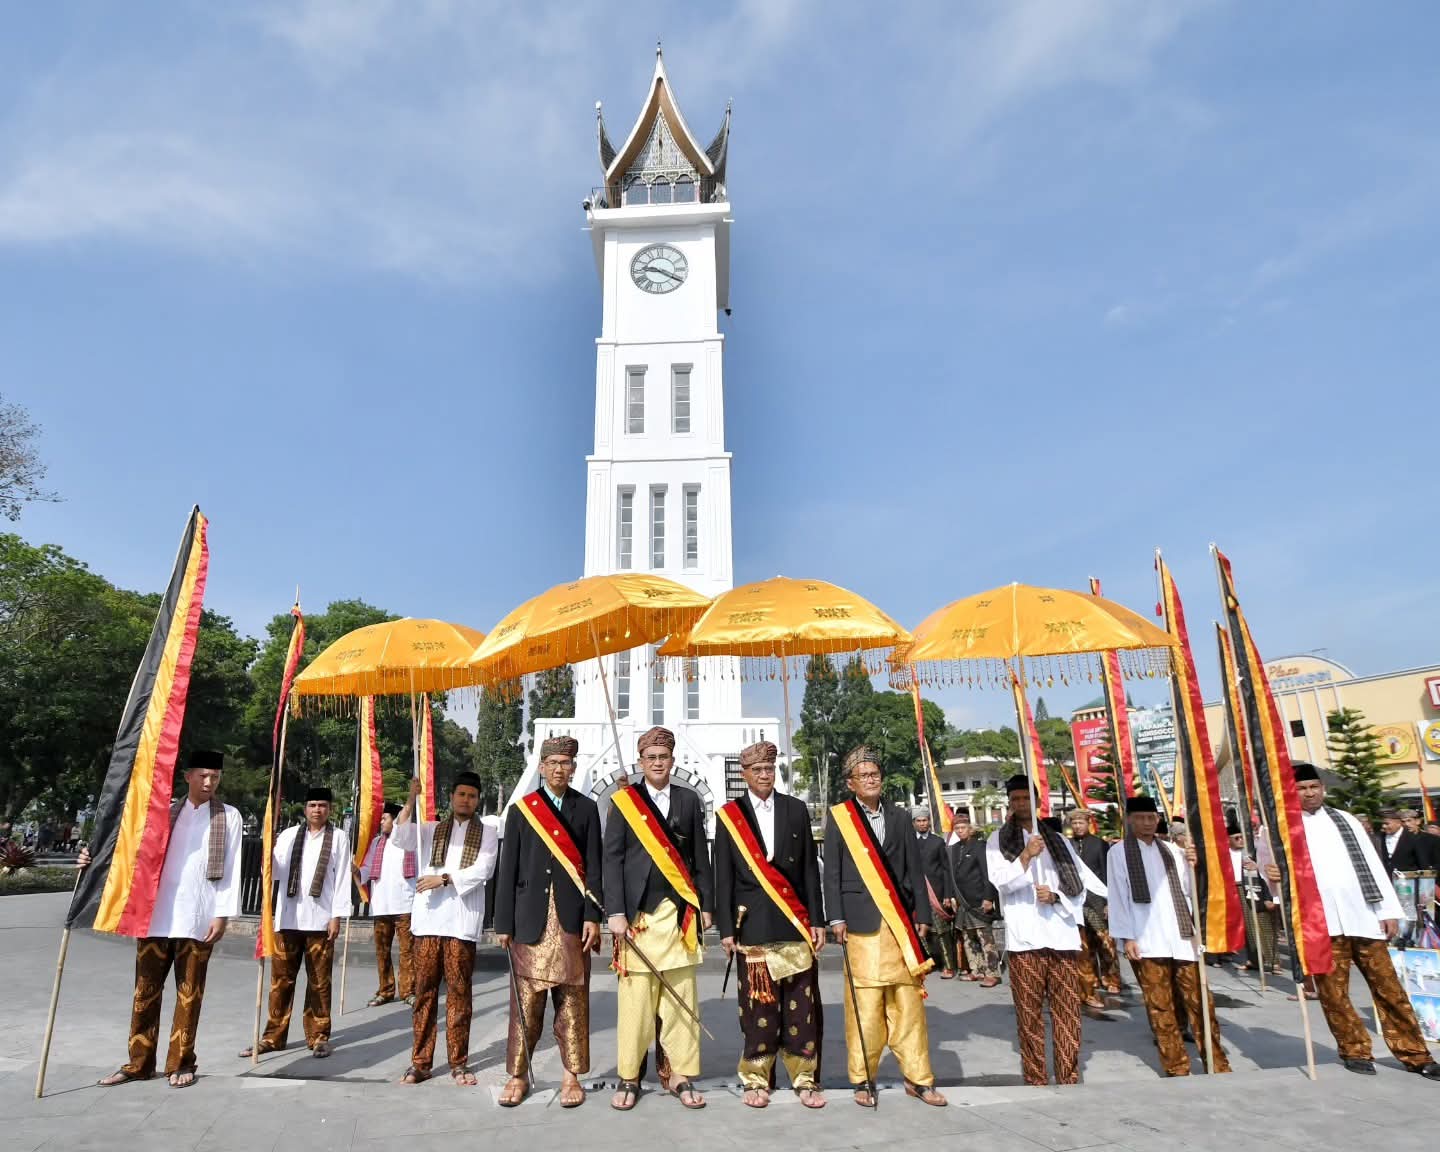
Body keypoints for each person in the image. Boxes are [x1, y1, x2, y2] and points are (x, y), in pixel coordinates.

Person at [1263, 762, 1440, 1078]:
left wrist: (1387, 911)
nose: (1309, 793)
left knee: (1390, 989)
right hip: (1321, 924)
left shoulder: (1345, 820)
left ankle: (1416, 1054)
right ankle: (1355, 1051)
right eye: (1301, 788)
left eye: (1313, 787)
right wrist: (1273, 877)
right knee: (1334, 993)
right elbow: (1271, 872)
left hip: (1364, 916)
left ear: (1322, 788)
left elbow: (1373, 865)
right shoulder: (1279, 827)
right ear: (1291, 791)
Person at [89, 749, 242, 1089]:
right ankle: (139, 1063)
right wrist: (92, 857)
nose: (209, 782)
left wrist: (221, 913)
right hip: (155, 916)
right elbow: (130, 852)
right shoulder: (162, 813)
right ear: (187, 776)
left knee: (190, 994)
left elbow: (232, 866)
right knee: (145, 992)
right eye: (202, 775)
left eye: (215, 777)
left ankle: (181, 1062)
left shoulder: (229, 816)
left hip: (198, 917)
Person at [825, 747, 945, 1108]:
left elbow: (914, 870)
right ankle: (863, 1078)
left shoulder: (900, 817)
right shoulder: (840, 817)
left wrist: (923, 916)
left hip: (899, 923)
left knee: (908, 1004)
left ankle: (918, 1078)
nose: (871, 780)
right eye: (863, 776)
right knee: (865, 1006)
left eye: (875, 774)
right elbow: (832, 872)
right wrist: (836, 918)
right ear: (851, 783)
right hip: (859, 923)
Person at [605, 726, 713, 1111]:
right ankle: (629, 1077)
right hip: (638, 918)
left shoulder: (688, 799)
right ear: (640, 761)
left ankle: (681, 1075)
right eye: (650, 757)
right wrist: (615, 912)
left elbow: (700, 856)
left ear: (672, 760)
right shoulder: (624, 802)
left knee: (682, 999)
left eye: (663, 757)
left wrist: (707, 905)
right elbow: (612, 859)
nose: (656, 763)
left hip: (679, 915)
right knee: (635, 1004)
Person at [713, 740, 825, 1109]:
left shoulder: (795, 809)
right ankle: (755, 1078)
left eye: (769, 769)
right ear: (744, 774)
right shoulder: (730, 815)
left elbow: (809, 870)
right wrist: (726, 929)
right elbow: (723, 877)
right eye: (757, 770)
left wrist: (817, 920)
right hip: (753, 925)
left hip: (793, 923)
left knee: (800, 1010)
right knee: (758, 1012)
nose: (764, 775)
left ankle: (804, 1078)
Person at [494, 736, 603, 1108]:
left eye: (565, 763)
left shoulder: (586, 809)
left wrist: (593, 916)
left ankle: (571, 1075)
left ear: (574, 768)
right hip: (529, 921)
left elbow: (595, 868)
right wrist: (503, 923)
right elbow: (508, 869)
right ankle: (517, 1075)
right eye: (553, 762)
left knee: (572, 1002)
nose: (559, 769)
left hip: (571, 921)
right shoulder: (523, 810)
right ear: (541, 767)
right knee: (525, 1004)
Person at [987, 774, 1105, 1086]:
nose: (1021, 804)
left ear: (1037, 801)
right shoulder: (998, 840)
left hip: (1061, 935)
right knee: (1029, 1014)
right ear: (1009, 803)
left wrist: (1056, 897)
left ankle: (1068, 1074)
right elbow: (1001, 883)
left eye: (1026, 798)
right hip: (1025, 939)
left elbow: (1080, 887)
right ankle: (1035, 1077)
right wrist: (1026, 856)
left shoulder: (1059, 841)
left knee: (1068, 1010)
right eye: (1015, 799)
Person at [1107, 795, 1230, 1076]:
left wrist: (1193, 865)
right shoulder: (1118, 852)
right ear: (1130, 820)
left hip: (1182, 936)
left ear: (1158, 819)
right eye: (1140, 818)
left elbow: (1189, 889)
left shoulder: (1173, 851)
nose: (1146, 823)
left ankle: (1217, 1062)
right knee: (1160, 1007)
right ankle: (1176, 1067)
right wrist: (1127, 937)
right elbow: (1118, 896)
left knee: (1201, 1002)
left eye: (1151, 817)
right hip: (1147, 939)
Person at [392, 771, 500, 1086]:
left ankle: (459, 1063)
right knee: (424, 994)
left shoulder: (488, 832)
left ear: (478, 800)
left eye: (471, 796)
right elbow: (399, 837)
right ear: (451, 797)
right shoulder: (430, 830)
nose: (466, 800)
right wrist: (411, 799)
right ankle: (420, 1062)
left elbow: (484, 869)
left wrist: (443, 879)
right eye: (461, 794)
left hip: (461, 923)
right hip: (428, 921)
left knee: (459, 995)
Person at [243, 786, 351, 1060]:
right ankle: (273, 1037)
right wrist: (268, 853)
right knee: (281, 981)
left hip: (320, 919)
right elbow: (275, 872)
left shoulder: (339, 837)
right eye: (312, 805)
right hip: (288, 918)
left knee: (319, 982)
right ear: (305, 808)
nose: (317, 810)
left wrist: (336, 915)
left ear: (330, 809)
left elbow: (342, 878)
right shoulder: (289, 835)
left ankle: (319, 1036)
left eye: (322, 805)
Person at [355, 801, 416, 1007]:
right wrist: (357, 872)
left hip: (405, 904)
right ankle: (385, 990)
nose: (381, 822)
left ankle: (408, 991)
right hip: (381, 905)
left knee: (407, 951)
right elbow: (366, 869)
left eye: (385, 818)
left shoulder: (410, 841)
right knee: (382, 951)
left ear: (396, 820)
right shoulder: (376, 843)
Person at [1068, 807, 1121, 1006]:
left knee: (1106, 943)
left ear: (1088, 824)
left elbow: (1107, 874)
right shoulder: (1068, 845)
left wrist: (1109, 902)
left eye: (1081, 822)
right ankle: (1091, 980)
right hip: (1077, 902)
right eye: (1074, 823)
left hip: (1098, 900)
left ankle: (1112, 979)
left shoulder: (1099, 844)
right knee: (1084, 945)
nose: (1077, 826)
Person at [948, 810, 1001, 986]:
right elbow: (951, 875)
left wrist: (988, 898)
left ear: (970, 828)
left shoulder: (980, 846)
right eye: (957, 828)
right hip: (962, 901)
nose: (960, 831)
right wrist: (953, 897)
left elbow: (988, 874)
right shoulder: (954, 849)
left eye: (963, 827)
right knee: (968, 938)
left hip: (979, 899)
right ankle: (977, 970)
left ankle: (992, 973)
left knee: (985, 938)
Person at [1228, 814, 1280, 976]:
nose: (1240, 841)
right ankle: (1254, 960)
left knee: (1263, 924)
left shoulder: (1252, 851)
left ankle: (1273, 961)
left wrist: (1268, 897)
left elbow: (1266, 872)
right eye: (1236, 838)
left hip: (1255, 887)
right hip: (1236, 889)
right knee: (1247, 928)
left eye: (1242, 837)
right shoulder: (1225, 854)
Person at [913, 808, 958, 978]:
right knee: (919, 931)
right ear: (914, 823)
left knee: (941, 931)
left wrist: (947, 894)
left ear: (929, 822)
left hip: (936, 894)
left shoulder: (937, 842)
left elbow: (946, 870)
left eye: (924, 820)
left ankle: (949, 966)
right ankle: (928, 963)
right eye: (918, 821)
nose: (922, 824)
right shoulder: (909, 842)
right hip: (916, 894)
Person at [1378, 810, 1431, 875]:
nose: (1383, 826)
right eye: (1382, 824)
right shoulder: (1379, 838)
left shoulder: (1413, 838)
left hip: (1409, 879)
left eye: (1387, 824)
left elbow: (1423, 864)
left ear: (1398, 823)